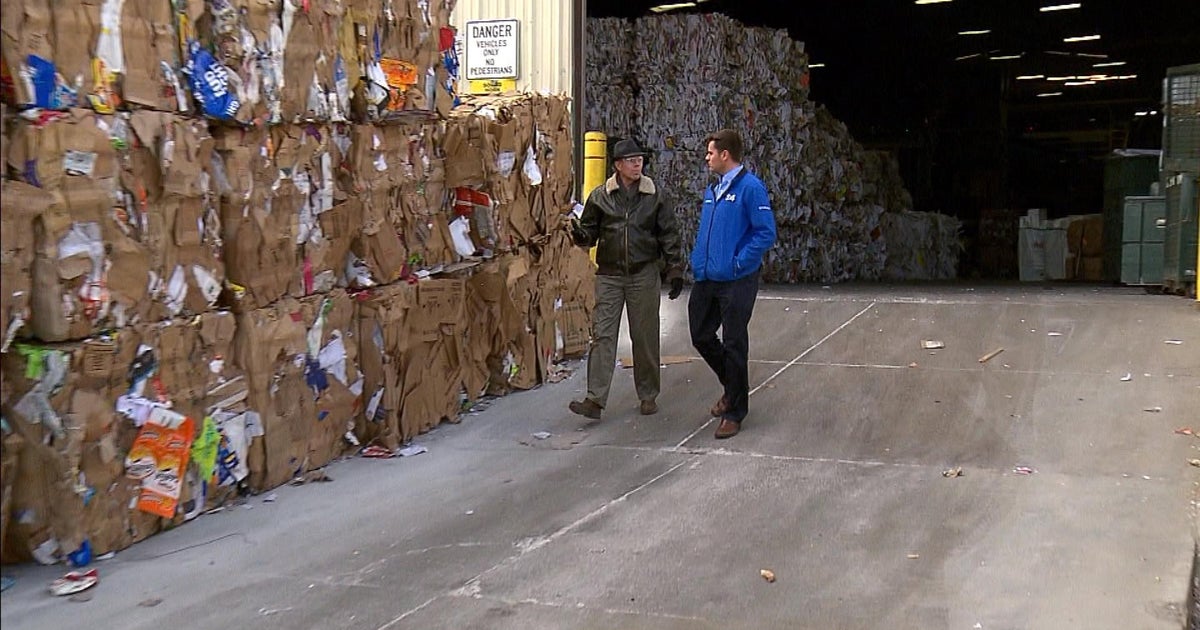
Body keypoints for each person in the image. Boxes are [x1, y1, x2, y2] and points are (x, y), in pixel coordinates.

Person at [567, 138, 684, 420]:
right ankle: (595, 399)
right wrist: (579, 233)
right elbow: (590, 233)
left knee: (644, 336)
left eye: (639, 160)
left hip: (643, 273)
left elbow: (668, 233)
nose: (637, 165)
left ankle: (648, 395)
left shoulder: (655, 195)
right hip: (609, 275)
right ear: (618, 165)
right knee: (603, 336)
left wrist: (675, 268)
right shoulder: (600, 197)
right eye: (631, 161)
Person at [688, 129, 777, 439]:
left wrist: (739, 262)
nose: (707, 158)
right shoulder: (713, 189)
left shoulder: (751, 188)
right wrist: (698, 261)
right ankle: (733, 386)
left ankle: (735, 411)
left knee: (734, 341)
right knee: (700, 334)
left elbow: (765, 232)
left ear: (725, 155)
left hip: (737, 279)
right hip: (708, 276)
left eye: (711, 152)